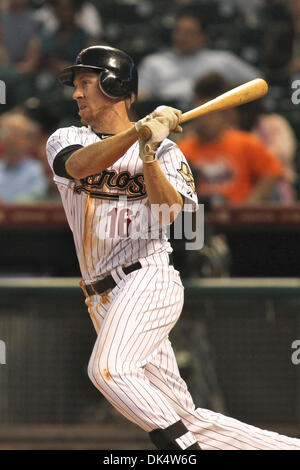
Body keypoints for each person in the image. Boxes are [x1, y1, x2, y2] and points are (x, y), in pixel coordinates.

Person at [46, 44, 300, 450]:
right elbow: (77, 167)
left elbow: (176, 217)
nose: (77, 93)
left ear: (114, 85)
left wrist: (147, 152)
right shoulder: (67, 137)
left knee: (109, 369)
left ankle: (184, 455)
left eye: (86, 83)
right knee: (183, 417)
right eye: (76, 85)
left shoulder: (166, 151)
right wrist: (138, 131)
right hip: (101, 296)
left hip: (148, 279)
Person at [178, 73, 284, 206]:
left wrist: (250, 203)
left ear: (223, 118)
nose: (204, 122)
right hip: (198, 215)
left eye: (210, 116)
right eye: (200, 117)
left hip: (237, 216)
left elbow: (272, 172)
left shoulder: (245, 142)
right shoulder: (181, 149)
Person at [138, 8, 261, 110]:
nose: (182, 37)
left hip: (210, 116)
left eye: (189, 33)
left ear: (203, 37)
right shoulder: (154, 63)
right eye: (179, 31)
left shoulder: (222, 60)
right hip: (165, 119)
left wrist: (224, 92)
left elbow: (257, 82)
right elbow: (140, 96)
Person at [0, 112, 48, 203]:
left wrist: (6, 208)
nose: (13, 139)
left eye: (19, 134)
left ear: (29, 140)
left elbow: (38, 195)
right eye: (9, 133)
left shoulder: (37, 169)